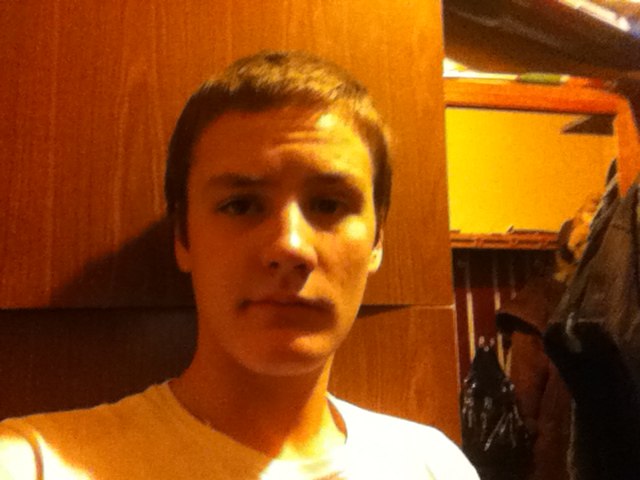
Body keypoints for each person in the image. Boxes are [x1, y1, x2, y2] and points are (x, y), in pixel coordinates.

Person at [0, 51, 478, 479]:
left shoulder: (433, 466)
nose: (290, 246)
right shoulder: (30, 463)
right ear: (183, 237)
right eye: (241, 205)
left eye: (328, 205)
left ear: (377, 241)